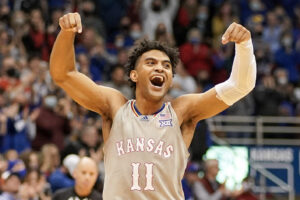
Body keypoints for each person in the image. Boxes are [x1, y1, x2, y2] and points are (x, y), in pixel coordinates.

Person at [50, 12, 256, 199]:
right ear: (134, 74)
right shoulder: (115, 107)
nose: (160, 68)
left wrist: (245, 45)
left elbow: (239, 86)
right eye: (151, 63)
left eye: (166, 66)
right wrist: (67, 33)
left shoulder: (181, 111)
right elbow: (64, 75)